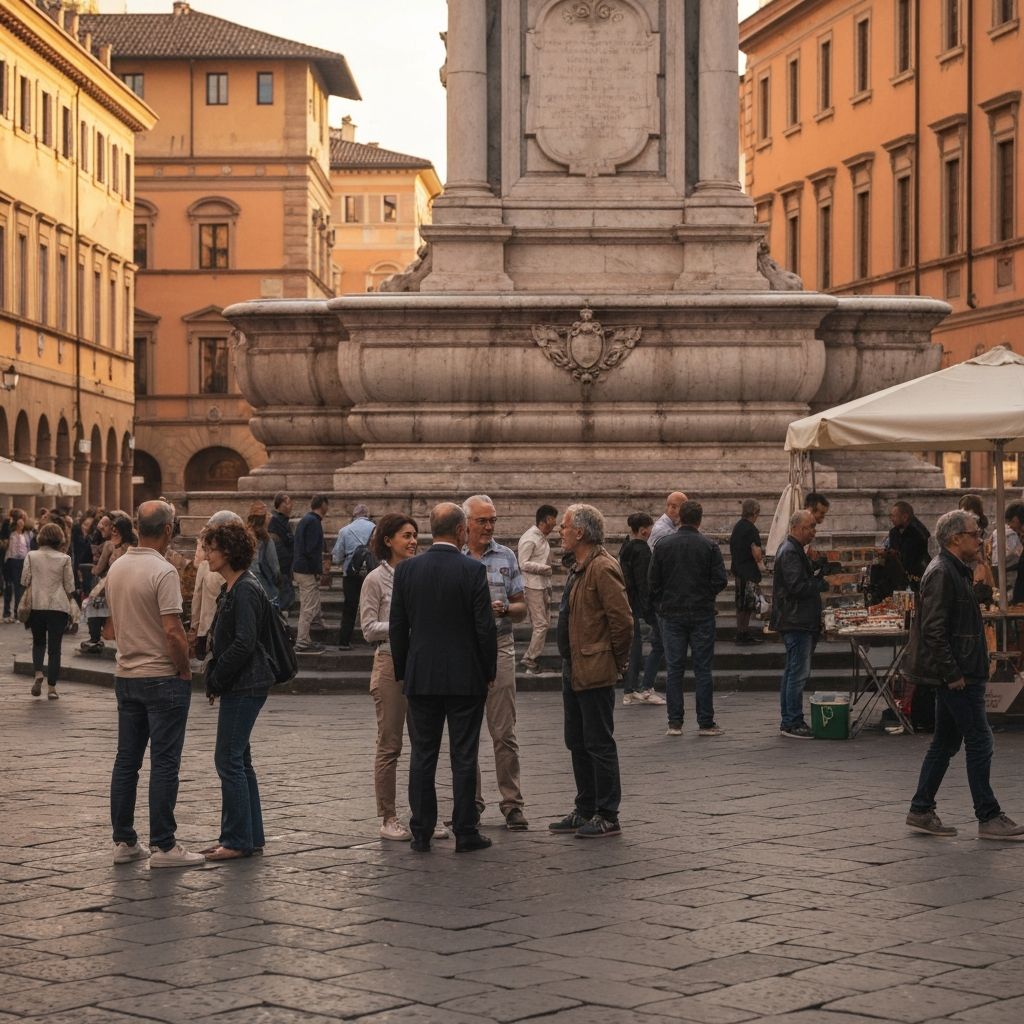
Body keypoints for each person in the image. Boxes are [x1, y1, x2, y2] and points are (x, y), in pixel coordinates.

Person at [904, 509, 1024, 840]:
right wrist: (952, 672)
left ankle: (921, 808)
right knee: (980, 740)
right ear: (956, 538)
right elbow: (934, 629)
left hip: (961, 670)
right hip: (959, 675)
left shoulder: (955, 570)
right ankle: (988, 816)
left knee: (945, 742)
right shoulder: (943, 572)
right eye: (975, 533)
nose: (980, 538)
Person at [390, 502, 497, 853]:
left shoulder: (406, 571)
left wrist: (406, 671)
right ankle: (465, 830)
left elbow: (397, 629)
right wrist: (488, 671)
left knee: (422, 754)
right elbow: (485, 629)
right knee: (463, 755)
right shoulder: (472, 570)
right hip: (466, 677)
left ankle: (421, 830)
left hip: (422, 677)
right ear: (462, 531)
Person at [106, 500, 203, 867]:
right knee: (164, 762)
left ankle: (125, 841)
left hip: (126, 675)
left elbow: (115, 625)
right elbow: (173, 632)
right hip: (161, 676)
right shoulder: (163, 572)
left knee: (126, 761)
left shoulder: (117, 567)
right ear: (168, 529)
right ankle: (164, 845)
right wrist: (184, 669)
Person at [359, 512, 449, 842]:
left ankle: (425, 814)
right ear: (387, 541)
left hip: (420, 664)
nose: (413, 541)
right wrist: (405, 626)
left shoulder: (420, 573)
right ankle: (388, 816)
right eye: (405, 536)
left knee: (424, 744)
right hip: (389, 663)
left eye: (415, 535)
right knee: (390, 745)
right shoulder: (374, 580)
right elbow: (368, 629)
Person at [549, 504, 632, 838]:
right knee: (577, 740)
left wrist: (616, 660)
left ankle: (607, 812)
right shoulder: (579, 567)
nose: (561, 531)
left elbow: (623, 621)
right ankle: (585, 807)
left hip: (594, 666)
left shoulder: (602, 567)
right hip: (575, 666)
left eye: (565, 527)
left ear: (580, 532)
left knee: (598, 741)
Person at [202, 521, 276, 860]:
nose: (206, 554)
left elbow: (245, 641)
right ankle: (249, 835)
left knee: (228, 760)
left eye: (211, 548)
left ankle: (235, 840)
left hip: (245, 683)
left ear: (228, 551)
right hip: (243, 682)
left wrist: (217, 675)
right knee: (240, 761)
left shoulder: (244, 588)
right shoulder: (234, 586)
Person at [463, 494, 529, 831]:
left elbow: (523, 607)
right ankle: (470, 803)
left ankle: (512, 803)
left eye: (492, 520)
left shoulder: (506, 556)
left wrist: (505, 608)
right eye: (482, 521)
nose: (489, 527)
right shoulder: (456, 558)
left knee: (504, 732)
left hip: (500, 645)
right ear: (466, 524)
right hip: (463, 650)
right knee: (466, 733)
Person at [649, 500, 728, 737]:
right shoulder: (709, 546)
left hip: (672, 614)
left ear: (680, 517)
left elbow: (653, 582)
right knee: (703, 669)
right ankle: (705, 722)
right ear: (700, 519)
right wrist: (704, 593)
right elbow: (720, 580)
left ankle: (675, 723)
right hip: (702, 613)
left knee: (674, 669)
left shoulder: (663, 545)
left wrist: (665, 599)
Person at [772, 509, 830, 739]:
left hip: (798, 619)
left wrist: (817, 568)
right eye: (811, 527)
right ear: (797, 528)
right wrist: (821, 583)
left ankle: (789, 718)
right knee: (797, 672)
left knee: (793, 670)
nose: (814, 532)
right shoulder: (789, 553)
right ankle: (792, 721)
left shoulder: (794, 551)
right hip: (797, 620)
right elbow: (797, 587)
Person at [22, 522, 76, 700]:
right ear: (59, 538)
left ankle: (38, 672)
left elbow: (24, 580)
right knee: (55, 648)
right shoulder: (65, 558)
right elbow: (69, 585)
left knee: (38, 642)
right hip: (58, 606)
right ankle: (52, 688)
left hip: (37, 604)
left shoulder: (32, 555)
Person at [619, 512, 664, 705]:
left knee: (635, 645)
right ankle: (644, 687)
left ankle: (631, 689)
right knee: (654, 643)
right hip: (640, 605)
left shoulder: (626, 547)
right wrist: (651, 609)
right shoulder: (642, 550)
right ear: (644, 529)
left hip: (628, 602)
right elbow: (644, 582)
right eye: (650, 527)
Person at [190, 511, 243, 662]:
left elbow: (197, 600)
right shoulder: (237, 570)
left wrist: (195, 627)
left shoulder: (207, 566)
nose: (207, 554)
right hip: (217, 631)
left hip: (210, 630)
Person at [516, 504, 558, 676]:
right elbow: (522, 563)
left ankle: (531, 661)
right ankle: (530, 658)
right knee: (541, 624)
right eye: (553, 520)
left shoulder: (541, 537)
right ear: (546, 520)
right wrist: (545, 568)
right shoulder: (530, 538)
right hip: (532, 585)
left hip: (542, 584)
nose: (555, 524)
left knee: (542, 623)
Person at [331, 504, 375, 650]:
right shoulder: (375, 529)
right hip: (371, 572)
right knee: (373, 605)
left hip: (350, 573)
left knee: (350, 606)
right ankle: (375, 640)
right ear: (367, 515)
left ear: (354, 515)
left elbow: (336, 557)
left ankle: (344, 641)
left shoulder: (345, 530)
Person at [293, 494, 329, 654]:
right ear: (323, 505)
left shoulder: (306, 520)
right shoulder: (314, 522)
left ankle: (316, 625)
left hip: (299, 568)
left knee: (311, 601)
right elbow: (312, 550)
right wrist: (318, 571)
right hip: (306, 569)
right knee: (307, 606)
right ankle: (302, 642)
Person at [730, 499, 765, 645]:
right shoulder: (751, 529)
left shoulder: (738, 526)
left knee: (741, 604)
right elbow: (756, 553)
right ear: (755, 512)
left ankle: (740, 632)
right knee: (748, 604)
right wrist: (762, 562)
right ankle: (743, 634)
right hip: (749, 571)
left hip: (738, 570)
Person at [880, 501, 932, 596]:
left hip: (916, 578)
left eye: (893, 516)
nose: (891, 519)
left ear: (905, 517)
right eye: (890, 516)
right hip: (897, 578)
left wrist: (895, 554)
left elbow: (909, 558)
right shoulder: (895, 532)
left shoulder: (918, 533)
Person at [247, 502, 281, 607]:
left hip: (246, 583)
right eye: (267, 514)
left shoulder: (243, 536)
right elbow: (274, 567)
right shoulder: (266, 540)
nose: (270, 516)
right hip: (263, 584)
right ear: (262, 519)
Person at [268, 493, 295, 616]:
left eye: (290, 502)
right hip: (281, 563)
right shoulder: (275, 521)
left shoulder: (284, 521)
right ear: (279, 505)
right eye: (287, 502)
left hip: (286, 562)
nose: (290, 506)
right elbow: (278, 543)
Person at [3, 510, 32, 623]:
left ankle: (17, 613)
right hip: (11, 561)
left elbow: (29, 547)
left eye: (23, 520)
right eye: (19, 519)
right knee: (10, 587)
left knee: (20, 588)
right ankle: (7, 613)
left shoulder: (27, 534)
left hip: (23, 561)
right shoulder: (10, 533)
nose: (21, 522)